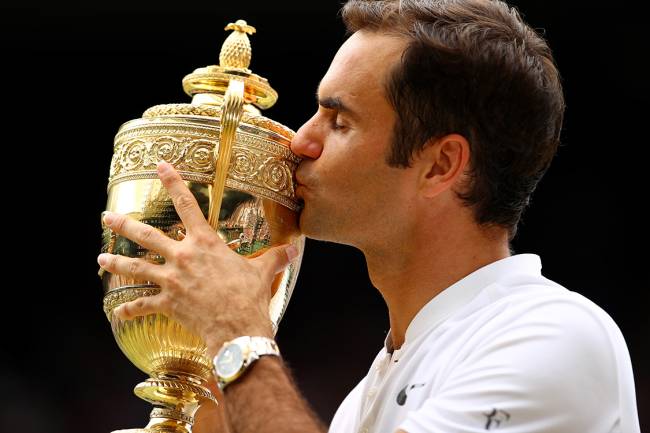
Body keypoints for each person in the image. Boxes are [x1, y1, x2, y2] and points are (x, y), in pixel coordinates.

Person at [97, 0, 640, 432]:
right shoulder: (365, 398)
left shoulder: (555, 337)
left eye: (338, 120)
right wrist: (208, 399)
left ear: (439, 165)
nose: (299, 141)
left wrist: (238, 333)